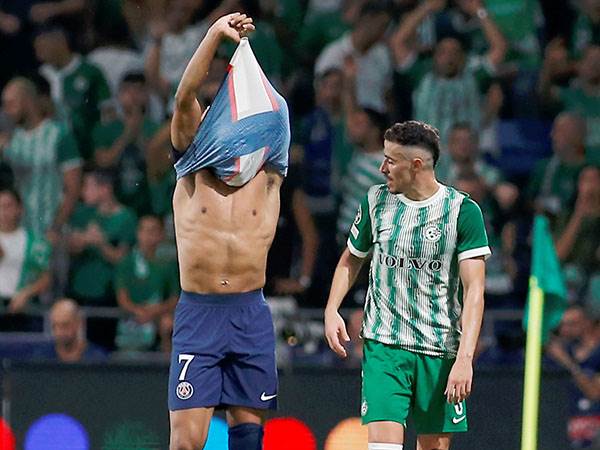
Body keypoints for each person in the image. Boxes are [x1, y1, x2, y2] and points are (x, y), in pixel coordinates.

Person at [324, 120, 490, 450]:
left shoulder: (462, 211)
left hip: (440, 349)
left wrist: (465, 359)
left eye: (390, 160)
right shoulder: (376, 201)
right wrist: (331, 309)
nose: (382, 168)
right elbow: (351, 259)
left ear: (416, 165)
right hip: (385, 346)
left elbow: (474, 291)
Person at [168, 13, 290, 450]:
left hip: (249, 311)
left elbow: (273, 113)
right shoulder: (192, 163)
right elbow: (184, 97)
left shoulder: (269, 171)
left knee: (248, 439)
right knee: (187, 442)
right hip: (199, 313)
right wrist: (215, 35)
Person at [546, 305, 600, 448]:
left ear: (587, 323)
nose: (565, 329)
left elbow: (594, 393)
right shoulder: (564, 351)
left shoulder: (596, 354)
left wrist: (568, 363)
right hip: (566, 425)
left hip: (593, 427)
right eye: (561, 325)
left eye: (571, 324)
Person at [0, 188, 51, 331]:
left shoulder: (34, 242)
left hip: (20, 308)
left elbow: (45, 278)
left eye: (8, 206)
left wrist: (26, 293)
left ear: (19, 209)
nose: (3, 212)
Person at [33, 298, 106, 362]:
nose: (59, 332)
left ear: (79, 323)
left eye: (65, 325)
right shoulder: (41, 357)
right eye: (54, 326)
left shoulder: (98, 359)